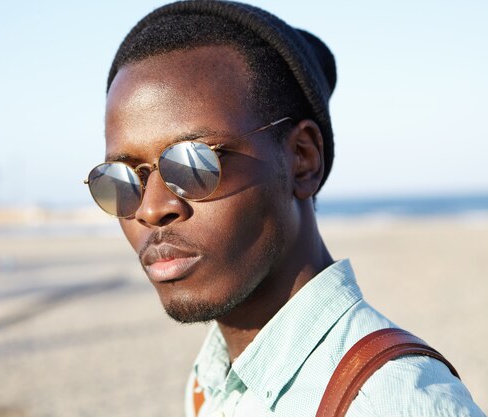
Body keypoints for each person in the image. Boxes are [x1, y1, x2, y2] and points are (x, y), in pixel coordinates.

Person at [84, 1, 486, 416]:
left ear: (302, 158)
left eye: (193, 164)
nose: (151, 209)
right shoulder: (212, 377)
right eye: (122, 178)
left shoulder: (392, 403)